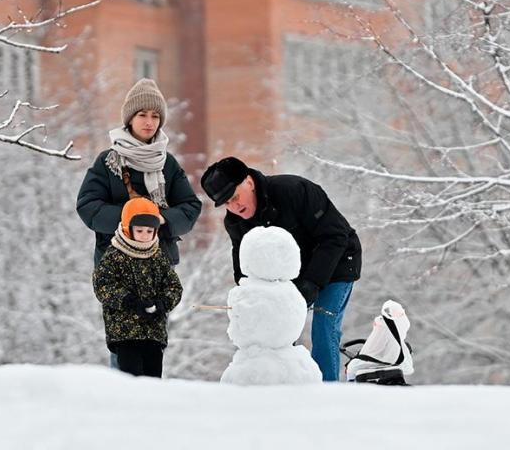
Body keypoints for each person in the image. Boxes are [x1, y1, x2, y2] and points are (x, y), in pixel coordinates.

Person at [200, 156, 362, 382]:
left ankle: (326, 390)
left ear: (249, 181)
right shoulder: (236, 222)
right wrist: (250, 299)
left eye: (235, 197)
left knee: (324, 326)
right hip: (290, 279)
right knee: (277, 331)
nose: (234, 207)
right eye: (227, 203)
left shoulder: (294, 190)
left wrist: (313, 283)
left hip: (337, 261)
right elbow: (245, 267)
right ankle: (284, 390)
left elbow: (335, 236)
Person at [77, 78, 201, 366]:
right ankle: (123, 400)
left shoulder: (167, 163)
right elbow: (87, 206)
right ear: (129, 118)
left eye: (155, 116)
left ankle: (150, 403)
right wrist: (130, 218)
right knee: (122, 341)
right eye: (142, 115)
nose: (149, 122)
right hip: (116, 264)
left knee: (152, 343)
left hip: (157, 264)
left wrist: (161, 220)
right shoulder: (108, 161)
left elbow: (191, 207)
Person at [93, 198, 183, 377]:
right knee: (131, 378)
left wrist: (163, 302)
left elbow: (173, 286)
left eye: (149, 231)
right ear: (128, 228)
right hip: (125, 333)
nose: (144, 235)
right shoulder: (115, 255)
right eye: (139, 230)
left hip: (153, 334)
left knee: (153, 379)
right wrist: (129, 302)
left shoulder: (158, 257)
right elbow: (102, 284)